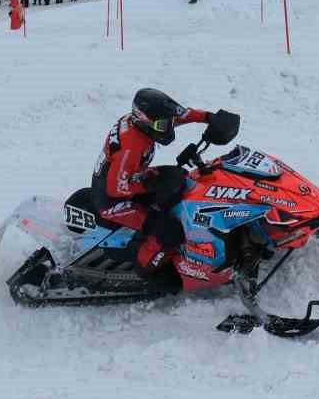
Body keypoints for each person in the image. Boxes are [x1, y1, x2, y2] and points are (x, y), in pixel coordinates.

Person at [92, 88, 238, 287]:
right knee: (169, 231)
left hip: (132, 176)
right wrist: (148, 185)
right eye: (163, 125)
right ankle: (145, 272)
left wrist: (208, 117)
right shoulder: (131, 146)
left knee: (180, 181)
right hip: (113, 200)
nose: (168, 128)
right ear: (144, 121)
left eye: (168, 122)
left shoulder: (150, 121)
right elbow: (116, 188)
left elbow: (180, 115)